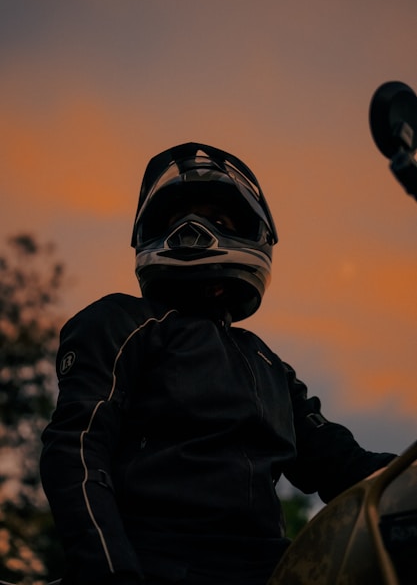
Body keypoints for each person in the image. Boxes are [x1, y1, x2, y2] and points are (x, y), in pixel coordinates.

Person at [40, 142, 396, 585]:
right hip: (152, 564)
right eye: (176, 220)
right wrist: (111, 573)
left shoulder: (269, 366)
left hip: (269, 571)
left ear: (252, 235)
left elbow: (345, 465)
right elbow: (76, 447)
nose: (192, 230)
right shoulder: (121, 321)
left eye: (218, 221)